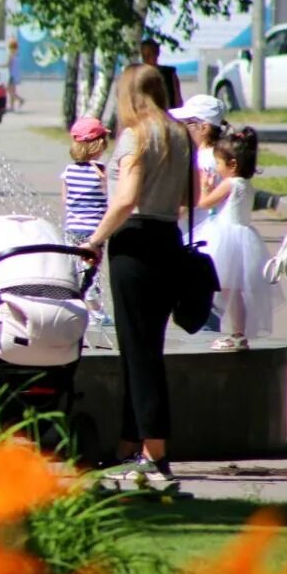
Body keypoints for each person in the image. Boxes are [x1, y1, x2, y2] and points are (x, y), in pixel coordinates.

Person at [79, 64, 195, 490]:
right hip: (168, 239)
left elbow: (125, 199)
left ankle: (154, 454)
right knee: (140, 348)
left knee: (141, 353)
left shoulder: (136, 136)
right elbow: (190, 198)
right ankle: (128, 442)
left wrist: (93, 240)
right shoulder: (180, 135)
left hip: (135, 245)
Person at [193, 127, 271, 351]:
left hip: (226, 237)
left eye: (219, 163)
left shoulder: (230, 183)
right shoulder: (247, 184)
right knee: (234, 290)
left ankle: (235, 333)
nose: (217, 168)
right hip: (244, 237)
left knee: (228, 289)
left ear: (232, 164)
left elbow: (205, 203)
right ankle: (239, 332)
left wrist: (206, 187)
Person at [59, 116, 111, 324]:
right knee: (92, 271)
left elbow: (65, 198)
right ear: (99, 144)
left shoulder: (69, 171)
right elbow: (110, 196)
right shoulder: (101, 171)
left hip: (72, 227)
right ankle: (96, 312)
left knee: (74, 268)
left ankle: (77, 307)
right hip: (94, 230)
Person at [170, 94, 227, 234]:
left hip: (197, 231)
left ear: (204, 128)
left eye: (188, 123)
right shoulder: (217, 155)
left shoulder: (203, 160)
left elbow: (188, 202)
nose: (183, 128)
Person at [139, 38, 185, 110]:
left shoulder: (169, 73)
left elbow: (178, 100)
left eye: (149, 55)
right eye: (144, 56)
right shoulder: (139, 76)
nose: (146, 59)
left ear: (157, 54)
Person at [6, 32, 25, 111]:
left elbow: (7, 64)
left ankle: (20, 100)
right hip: (15, 75)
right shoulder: (17, 55)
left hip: (11, 76)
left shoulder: (10, 55)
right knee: (12, 91)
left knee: (9, 90)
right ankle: (12, 107)